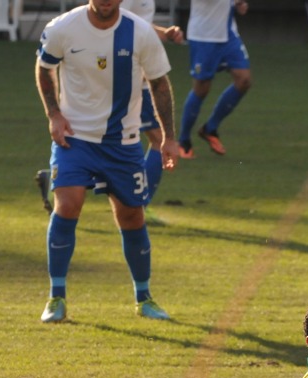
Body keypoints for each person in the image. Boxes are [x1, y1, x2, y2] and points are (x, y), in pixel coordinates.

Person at [35, 0, 179, 323]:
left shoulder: (140, 32)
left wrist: (169, 137)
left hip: (122, 143)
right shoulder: (63, 28)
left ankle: (144, 298)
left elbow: (159, 83)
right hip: (75, 138)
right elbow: (44, 69)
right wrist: (54, 115)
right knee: (68, 204)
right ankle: (56, 297)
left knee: (131, 215)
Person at [35, 0, 184, 218]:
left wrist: (163, 33)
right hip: (123, 85)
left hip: (134, 79)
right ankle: (140, 203)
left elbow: (137, 26)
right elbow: (112, 22)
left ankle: (137, 201)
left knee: (154, 137)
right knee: (156, 137)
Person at [178, 0, 251, 158]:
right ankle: (183, 140)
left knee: (244, 80)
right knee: (202, 88)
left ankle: (210, 128)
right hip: (203, 36)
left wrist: (237, 4)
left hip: (228, 34)